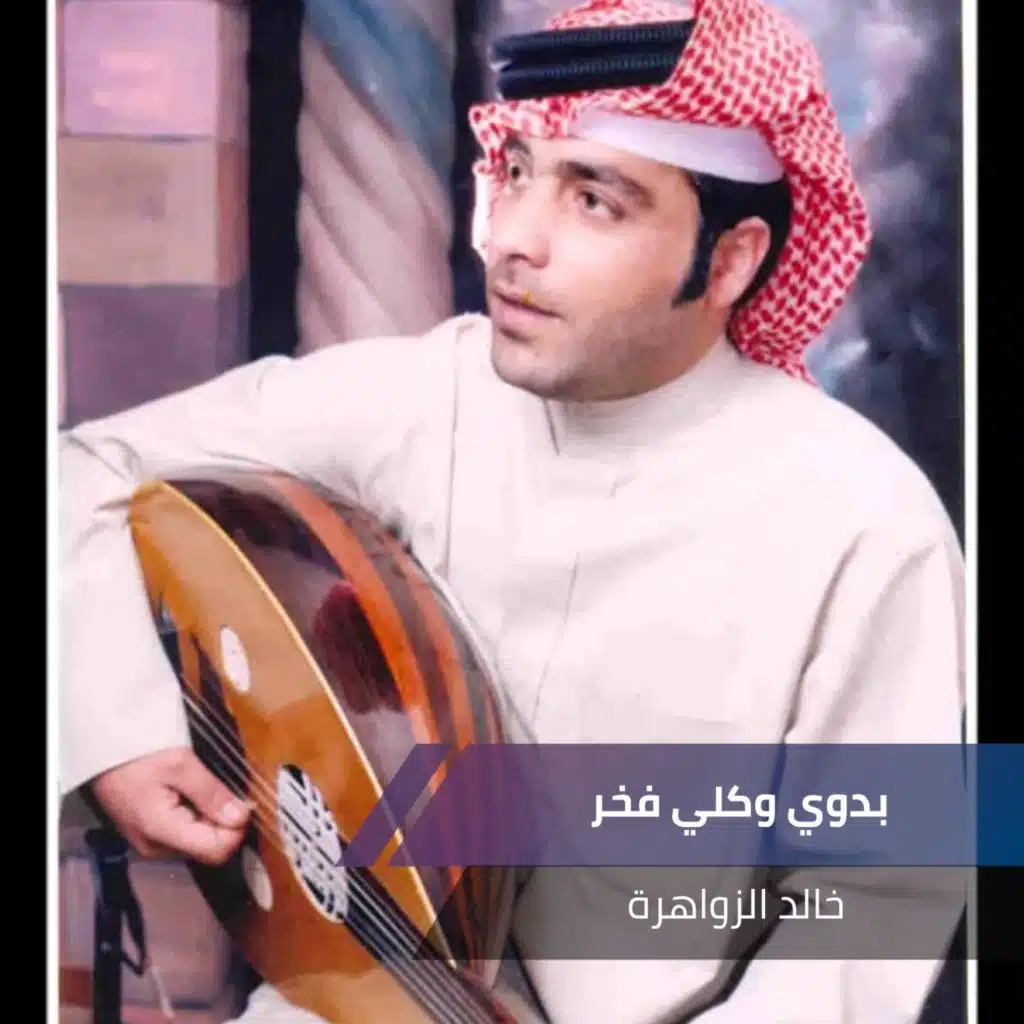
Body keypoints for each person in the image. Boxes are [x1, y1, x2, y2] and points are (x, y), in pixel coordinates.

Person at [58, 0, 966, 1021]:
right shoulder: (435, 394)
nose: (514, 242)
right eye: (519, 172)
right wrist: (120, 731)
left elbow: (875, 902)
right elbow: (80, 469)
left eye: (595, 201)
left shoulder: (863, 519)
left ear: (729, 260)